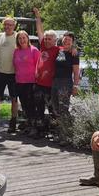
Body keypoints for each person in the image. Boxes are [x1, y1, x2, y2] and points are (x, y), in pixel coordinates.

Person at [33, 8, 61, 138]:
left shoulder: (58, 50)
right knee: (38, 108)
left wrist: (73, 49)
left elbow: (69, 46)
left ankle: (54, 132)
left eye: (50, 39)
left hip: (51, 86)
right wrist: (38, 17)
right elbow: (39, 30)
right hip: (39, 83)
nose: (47, 40)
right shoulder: (43, 46)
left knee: (52, 109)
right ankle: (40, 130)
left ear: (55, 40)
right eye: (46, 38)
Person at [0, 17, 18, 133]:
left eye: (10, 25)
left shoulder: (18, 36)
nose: (8, 27)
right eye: (6, 24)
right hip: (0, 72)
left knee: (14, 99)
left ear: (14, 26)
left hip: (14, 73)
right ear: (3, 25)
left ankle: (13, 123)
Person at [51, 31, 80, 146]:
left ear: (72, 42)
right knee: (56, 108)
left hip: (65, 83)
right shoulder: (59, 51)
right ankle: (60, 133)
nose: (66, 41)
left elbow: (76, 72)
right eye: (65, 39)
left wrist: (76, 85)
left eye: (69, 39)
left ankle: (66, 135)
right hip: (55, 82)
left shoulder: (74, 54)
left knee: (63, 110)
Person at [13, 30, 40, 137]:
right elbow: (15, 66)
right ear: (17, 40)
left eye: (24, 38)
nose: (22, 40)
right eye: (20, 38)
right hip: (20, 82)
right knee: (24, 105)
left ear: (28, 39)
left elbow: (39, 67)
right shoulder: (16, 51)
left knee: (31, 105)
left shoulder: (34, 50)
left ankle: (34, 127)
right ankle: (28, 125)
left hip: (31, 82)